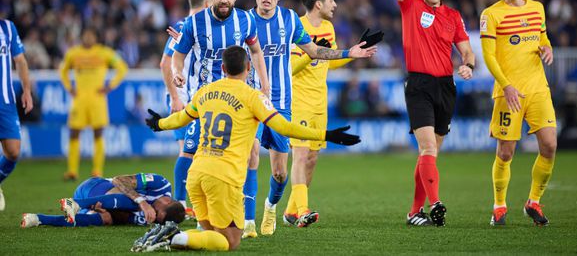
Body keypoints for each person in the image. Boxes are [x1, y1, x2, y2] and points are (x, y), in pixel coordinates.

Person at [134, 45, 360, 252]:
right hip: (223, 178)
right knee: (230, 241)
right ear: (249, 68)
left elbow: (181, 118)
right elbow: (284, 127)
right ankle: (171, 238)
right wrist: (326, 135)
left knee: (210, 234)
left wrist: (159, 124)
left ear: (223, 68)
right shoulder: (253, 97)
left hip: (197, 174)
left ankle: (171, 237)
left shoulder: (205, 92)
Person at [243, 0, 378, 237]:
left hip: (291, 104)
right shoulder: (244, 21)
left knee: (286, 170)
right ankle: (251, 221)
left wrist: (350, 53)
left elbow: (318, 54)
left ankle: (278, 208)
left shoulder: (294, 22)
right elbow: (296, 63)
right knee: (253, 157)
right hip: (272, 100)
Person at [377, 0, 475, 227]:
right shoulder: (411, 6)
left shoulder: (454, 16)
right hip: (418, 84)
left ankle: (414, 211)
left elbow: (466, 50)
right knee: (428, 147)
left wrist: (468, 65)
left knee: (428, 155)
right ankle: (436, 204)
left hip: (446, 86)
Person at [283, 0, 383, 228]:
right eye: (331, 0)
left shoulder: (327, 27)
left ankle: (290, 211)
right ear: (319, 3)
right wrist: (312, 53)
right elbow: (290, 70)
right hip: (299, 101)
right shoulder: (296, 26)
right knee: (301, 155)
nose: (335, 5)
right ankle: (303, 209)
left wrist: (351, 53)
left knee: (313, 158)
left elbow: (328, 61)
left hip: (320, 102)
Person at [170, 0, 270, 181]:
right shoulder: (194, 23)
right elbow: (177, 57)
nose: (224, 0)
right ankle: (180, 204)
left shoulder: (246, 19)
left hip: (239, 95)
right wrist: (177, 72)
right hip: (204, 96)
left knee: (252, 152)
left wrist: (265, 84)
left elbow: (256, 51)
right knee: (190, 151)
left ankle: (247, 213)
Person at [481, 0, 557, 226]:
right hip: (507, 92)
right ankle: (499, 206)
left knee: (549, 146)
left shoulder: (538, 9)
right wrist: (506, 84)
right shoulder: (491, 14)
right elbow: (488, 56)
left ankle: (533, 202)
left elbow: (543, 38)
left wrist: (548, 48)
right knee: (505, 153)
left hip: (537, 88)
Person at [160, 0, 210, 212]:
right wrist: (174, 97)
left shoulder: (198, 26)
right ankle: (180, 204)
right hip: (183, 98)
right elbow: (164, 63)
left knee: (195, 151)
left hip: (194, 98)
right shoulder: (184, 27)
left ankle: (187, 202)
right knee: (187, 150)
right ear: (208, 1)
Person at [60, 27, 128, 181]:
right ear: (82, 36)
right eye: (86, 35)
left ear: (96, 38)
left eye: (91, 35)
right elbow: (62, 70)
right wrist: (69, 88)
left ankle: (97, 170)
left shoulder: (104, 53)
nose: (88, 38)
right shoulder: (73, 53)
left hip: (97, 99)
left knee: (98, 133)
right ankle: (72, 171)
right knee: (74, 133)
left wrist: (110, 86)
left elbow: (122, 68)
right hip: (79, 99)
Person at [21, 173, 185, 228]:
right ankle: (75, 203)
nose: (154, 215)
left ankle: (37, 219)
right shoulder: (160, 184)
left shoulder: (153, 218)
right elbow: (118, 180)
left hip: (100, 204)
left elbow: (122, 219)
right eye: (157, 212)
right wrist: (141, 202)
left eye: (158, 219)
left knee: (106, 219)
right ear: (167, 201)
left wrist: (110, 212)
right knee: (134, 201)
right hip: (94, 186)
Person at [0, 19, 34, 211]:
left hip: (5, 101)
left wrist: (27, 90)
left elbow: (20, 60)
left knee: (12, 152)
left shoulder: (7, 28)